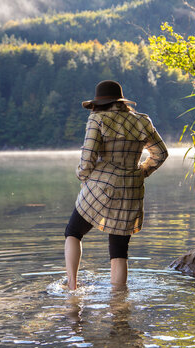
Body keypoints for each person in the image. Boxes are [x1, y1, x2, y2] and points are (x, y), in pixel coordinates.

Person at [64, 80, 168, 290]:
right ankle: (119, 301)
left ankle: (72, 286)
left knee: (73, 232)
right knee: (119, 249)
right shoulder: (142, 121)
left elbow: (87, 158)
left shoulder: (98, 119)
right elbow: (161, 153)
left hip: (101, 186)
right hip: (131, 188)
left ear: (98, 103)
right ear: (121, 101)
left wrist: (82, 176)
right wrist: (142, 171)